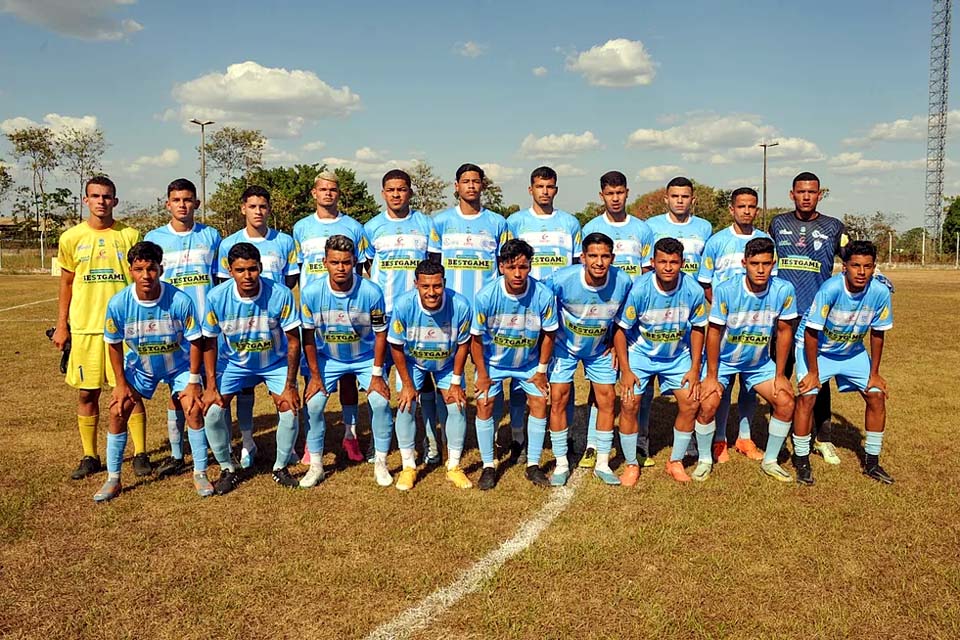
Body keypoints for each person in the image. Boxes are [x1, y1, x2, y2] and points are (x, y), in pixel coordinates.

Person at [98, 241, 211, 501]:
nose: (146, 275)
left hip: (178, 366)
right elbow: (113, 344)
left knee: (193, 408)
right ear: (130, 271)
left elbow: (196, 341)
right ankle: (113, 479)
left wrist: (194, 381)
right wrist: (120, 383)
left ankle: (200, 473)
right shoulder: (118, 304)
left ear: (161, 268)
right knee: (118, 410)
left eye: (151, 268)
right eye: (139, 269)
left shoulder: (180, 300)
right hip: (141, 367)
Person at [53, 176, 142, 480]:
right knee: (87, 393)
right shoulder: (71, 238)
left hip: (125, 329)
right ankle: (90, 455)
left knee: (131, 392)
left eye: (107, 196)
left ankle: (141, 453)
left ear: (115, 201)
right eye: (95, 196)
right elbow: (66, 283)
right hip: (86, 329)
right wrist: (61, 326)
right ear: (85, 200)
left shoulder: (130, 235)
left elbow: (141, 280)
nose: (101, 201)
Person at [200, 242, 302, 495]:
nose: (247, 276)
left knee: (289, 408)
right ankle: (228, 468)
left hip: (274, 362)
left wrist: (290, 386)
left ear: (261, 267)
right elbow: (209, 342)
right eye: (240, 270)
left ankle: (280, 467)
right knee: (212, 411)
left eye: (253, 269)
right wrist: (211, 386)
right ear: (230, 270)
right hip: (233, 364)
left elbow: (293, 341)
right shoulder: (216, 297)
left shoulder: (280, 294)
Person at [792, 240, 894, 485]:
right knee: (808, 396)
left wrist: (875, 373)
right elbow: (811, 332)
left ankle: (872, 462)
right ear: (844, 266)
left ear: (874, 267)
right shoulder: (831, 289)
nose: (861, 272)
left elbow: (878, 332)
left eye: (867, 266)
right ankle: (802, 459)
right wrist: (814, 373)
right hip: (817, 350)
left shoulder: (880, 292)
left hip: (852, 350)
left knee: (876, 395)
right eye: (855, 265)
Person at [697, 237, 798, 482]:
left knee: (785, 402)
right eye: (755, 263)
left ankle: (771, 461)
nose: (761, 269)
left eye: (766, 263)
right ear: (744, 263)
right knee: (708, 403)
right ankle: (704, 459)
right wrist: (711, 376)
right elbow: (713, 332)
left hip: (759, 364)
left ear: (773, 263)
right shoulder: (726, 289)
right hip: (723, 361)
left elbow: (785, 332)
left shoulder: (783, 290)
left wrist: (780, 375)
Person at [299, 235, 393, 488]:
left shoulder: (371, 292)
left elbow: (381, 333)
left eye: (346, 262)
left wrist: (376, 374)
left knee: (380, 402)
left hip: (364, 358)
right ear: (324, 262)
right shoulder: (310, 293)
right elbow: (307, 336)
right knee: (315, 405)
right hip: (328, 358)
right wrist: (315, 376)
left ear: (354, 262)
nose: (341, 268)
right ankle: (316, 465)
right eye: (335, 262)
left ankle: (381, 462)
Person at [293, 171, 373, 464]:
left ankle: (350, 435)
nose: (328, 193)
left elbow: (364, 269)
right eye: (323, 189)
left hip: (348, 309)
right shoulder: (301, 228)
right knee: (311, 376)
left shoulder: (354, 227)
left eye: (333, 189)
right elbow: (297, 270)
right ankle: (310, 441)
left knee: (349, 375)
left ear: (340, 193)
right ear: (314, 193)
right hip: (318, 312)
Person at [365, 169, 443, 466]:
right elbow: (369, 266)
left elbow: (432, 265)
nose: (396, 194)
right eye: (391, 190)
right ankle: (379, 439)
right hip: (383, 315)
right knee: (380, 380)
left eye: (402, 189)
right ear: (383, 193)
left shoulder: (425, 224)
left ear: (410, 192)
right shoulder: (371, 228)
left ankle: (430, 440)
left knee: (421, 380)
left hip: (419, 315)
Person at [217, 185, 299, 469]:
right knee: (243, 390)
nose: (258, 211)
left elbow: (289, 281)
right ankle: (246, 441)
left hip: (272, 322)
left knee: (283, 395)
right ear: (243, 209)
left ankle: (285, 450)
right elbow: (223, 287)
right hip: (241, 327)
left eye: (263, 206)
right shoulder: (228, 244)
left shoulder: (285, 241)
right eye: (252, 206)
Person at [613, 237, 708, 483]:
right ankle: (632, 463)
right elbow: (621, 330)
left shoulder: (693, 290)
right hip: (640, 354)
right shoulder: (640, 289)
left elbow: (698, 328)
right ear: (653, 262)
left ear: (682, 263)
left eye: (674, 262)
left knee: (691, 402)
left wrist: (695, 368)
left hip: (677, 356)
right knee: (629, 403)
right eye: (662, 261)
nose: (668, 267)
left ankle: (675, 461)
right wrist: (626, 370)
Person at [505, 165, 583, 465]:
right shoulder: (515, 222)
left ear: (556, 189)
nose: (545, 191)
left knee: (562, 374)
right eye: (540, 186)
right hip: (525, 306)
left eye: (550, 186)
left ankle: (565, 433)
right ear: (530, 189)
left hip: (562, 310)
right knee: (520, 370)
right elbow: (510, 261)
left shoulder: (570, 224)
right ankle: (517, 436)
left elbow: (577, 266)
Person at [145, 178, 221, 479]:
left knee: (212, 386)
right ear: (167, 203)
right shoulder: (155, 238)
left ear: (197, 204)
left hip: (207, 327)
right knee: (177, 391)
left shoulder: (211, 236)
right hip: (172, 328)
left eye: (188, 200)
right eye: (176, 200)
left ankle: (215, 444)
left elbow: (221, 280)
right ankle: (178, 453)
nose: (182, 205)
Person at [770, 171, 847, 465]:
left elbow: (853, 257)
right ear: (792, 194)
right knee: (780, 374)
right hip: (783, 317)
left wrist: (877, 278)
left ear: (819, 194)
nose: (805, 196)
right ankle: (778, 433)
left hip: (816, 319)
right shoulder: (778, 224)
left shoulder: (833, 226)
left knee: (818, 378)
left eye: (811, 192)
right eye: (800, 191)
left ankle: (823, 438)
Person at [579, 170, 654, 467]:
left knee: (638, 384)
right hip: (601, 315)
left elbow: (647, 274)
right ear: (602, 195)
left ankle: (640, 442)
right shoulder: (591, 227)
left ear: (627, 193)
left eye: (620, 192)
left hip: (633, 318)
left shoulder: (643, 230)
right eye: (609, 193)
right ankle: (592, 444)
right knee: (601, 385)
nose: (615, 198)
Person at [544, 232, 631, 487]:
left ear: (613, 258)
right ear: (582, 257)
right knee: (558, 396)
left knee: (608, 398)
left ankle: (602, 462)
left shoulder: (623, 282)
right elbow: (541, 305)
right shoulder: (561, 279)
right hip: (564, 346)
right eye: (593, 256)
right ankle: (561, 463)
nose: (599, 262)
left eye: (605, 256)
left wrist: (616, 346)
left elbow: (621, 323)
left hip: (599, 349)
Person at [471, 239, 558, 490]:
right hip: (493, 363)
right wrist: (483, 375)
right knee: (484, 403)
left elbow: (549, 334)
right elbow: (475, 339)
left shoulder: (543, 295)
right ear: (501, 267)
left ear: (530, 266)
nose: (518, 273)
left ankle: (532, 465)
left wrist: (541, 371)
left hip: (528, 362)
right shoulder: (486, 296)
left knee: (540, 402)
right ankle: (489, 466)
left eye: (523, 267)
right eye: (511, 268)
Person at [638, 176, 714, 465]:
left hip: (690, 312)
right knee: (643, 387)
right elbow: (647, 267)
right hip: (660, 311)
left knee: (690, 381)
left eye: (685, 196)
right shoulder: (651, 227)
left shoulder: (704, 228)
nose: (680, 201)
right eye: (675, 196)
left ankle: (692, 440)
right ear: (666, 199)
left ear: (692, 199)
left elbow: (705, 267)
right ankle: (642, 439)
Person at [696, 187, 775, 462]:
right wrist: (722, 310)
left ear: (757, 210)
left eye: (751, 206)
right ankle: (719, 439)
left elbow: (771, 284)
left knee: (750, 387)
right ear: (732, 209)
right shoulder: (717, 242)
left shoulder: (765, 240)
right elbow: (705, 281)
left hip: (756, 329)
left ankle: (744, 437)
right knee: (722, 385)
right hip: (727, 326)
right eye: (741, 206)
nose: (746, 211)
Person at [388, 260, 472, 490]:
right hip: (413, 362)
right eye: (425, 286)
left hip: (446, 364)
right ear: (416, 284)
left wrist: (456, 381)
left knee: (457, 406)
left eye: (437, 286)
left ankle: (453, 467)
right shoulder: (403, 305)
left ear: (444, 283)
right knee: (405, 406)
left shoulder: (461, 305)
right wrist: (406, 384)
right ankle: (408, 467)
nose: (432, 292)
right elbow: (395, 346)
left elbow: (464, 344)